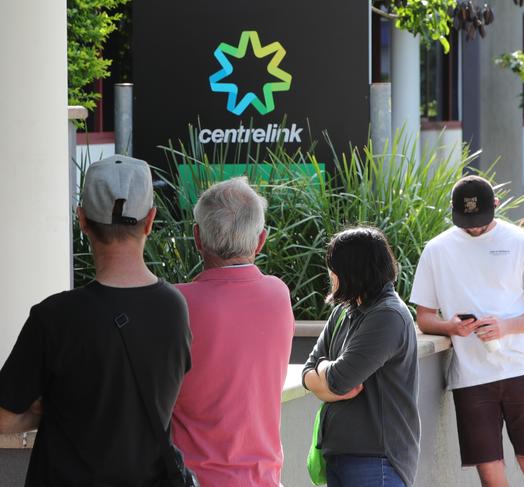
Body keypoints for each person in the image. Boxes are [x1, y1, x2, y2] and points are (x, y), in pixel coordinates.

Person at [0, 155, 192, 485]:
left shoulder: (53, 317)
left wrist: (43, 411)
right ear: (150, 220)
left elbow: (3, 418)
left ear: (82, 220)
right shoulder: (174, 308)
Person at [411, 175, 524, 487]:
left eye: (480, 219)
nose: (475, 227)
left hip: (522, 370)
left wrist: (506, 326)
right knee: (490, 476)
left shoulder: (521, 242)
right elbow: (424, 316)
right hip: (471, 378)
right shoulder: (437, 250)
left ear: (496, 205)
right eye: (466, 220)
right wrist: (449, 326)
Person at [172, 177, 294, 486]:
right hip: (265, 478)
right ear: (261, 240)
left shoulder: (176, 304)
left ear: (197, 238)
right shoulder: (278, 295)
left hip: (195, 478)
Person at [302, 227, 420, 487]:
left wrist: (324, 376)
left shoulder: (387, 315)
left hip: (377, 462)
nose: (330, 275)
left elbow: (340, 381)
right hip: (339, 457)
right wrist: (324, 372)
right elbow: (308, 371)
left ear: (352, 271)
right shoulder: (344, 311)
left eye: (334, 268)